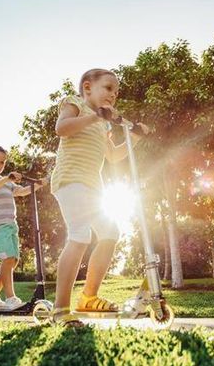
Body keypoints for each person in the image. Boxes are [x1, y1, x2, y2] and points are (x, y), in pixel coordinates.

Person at [50, 68, 149, 324]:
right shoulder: (75, 104)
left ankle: (89, 297)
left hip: (94, 187)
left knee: (110, 233)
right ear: (87, 88)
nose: (113, 95)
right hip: (70, 180)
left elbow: (113, 155)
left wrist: (135, 137)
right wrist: (95, 116)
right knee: (80, 235)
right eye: (108, 88)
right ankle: (60, 309)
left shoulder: (103, 122)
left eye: (116, 92)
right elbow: (62, 128)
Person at [0, 145, 39, 311]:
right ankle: (11, 298)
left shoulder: (5, 181)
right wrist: (7, 179)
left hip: (10, 225)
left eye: (2, 162)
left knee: (11, 262)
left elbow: (21, 191)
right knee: (8, 259)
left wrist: (39, 185)